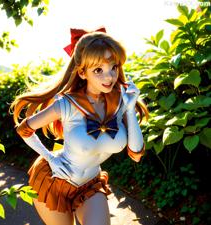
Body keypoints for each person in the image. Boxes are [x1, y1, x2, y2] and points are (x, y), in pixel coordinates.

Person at [11, 27, 149, 225]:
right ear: (82, 72)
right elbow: (24, 129)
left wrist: (128, 109)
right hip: (53, 182)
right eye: (98, 70)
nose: (109, 77)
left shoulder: (120, 102)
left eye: (113, 68)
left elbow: (136, 154)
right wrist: (50, 158)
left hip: (90, 186)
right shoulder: (67, 104)